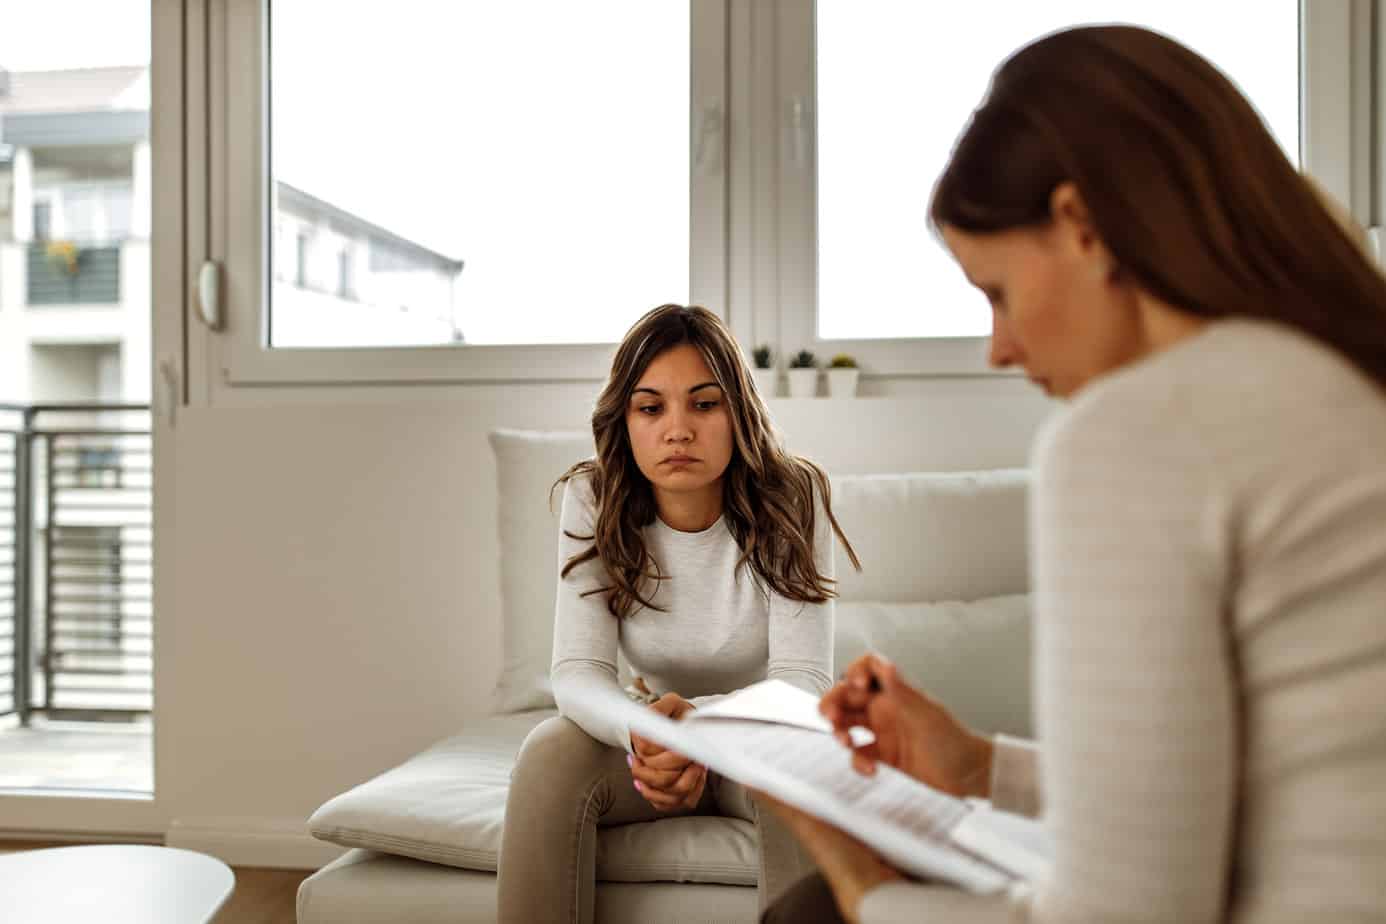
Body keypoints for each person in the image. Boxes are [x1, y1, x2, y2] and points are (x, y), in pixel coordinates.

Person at [759, 24, 1386, 924]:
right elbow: (1268, 785)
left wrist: (864, 885)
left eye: (999, 293)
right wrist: (981, 768)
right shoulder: (1344, 376)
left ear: (1083, 224)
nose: (1000, 349)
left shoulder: (1138, 433)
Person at [496, 303, 862, 923]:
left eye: (704, 403)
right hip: (650, 748)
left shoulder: (792, 496)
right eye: (651, 407)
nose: (677, 429)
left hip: (758, 741)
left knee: (800, 766)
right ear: (626, 418)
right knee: (548, 752)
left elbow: (803, 684)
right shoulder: (594, 497)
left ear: (737, 411)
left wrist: (695, 725)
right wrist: (650, 733)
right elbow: (578, 670)